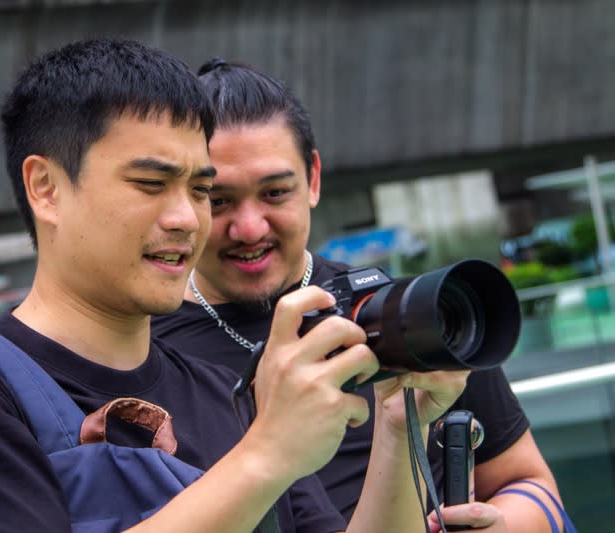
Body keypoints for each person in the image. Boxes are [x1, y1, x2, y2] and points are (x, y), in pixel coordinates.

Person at [0, 38, 468, 532]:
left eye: (199, 189)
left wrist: (398, 424)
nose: (187, 218)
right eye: (151, 184)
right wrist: (268, 454)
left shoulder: (224, 394)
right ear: (46, 187)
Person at [152, 58, 566, 532]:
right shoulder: (139, 349)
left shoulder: (415, 314)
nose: (249, 228)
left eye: (274, 193)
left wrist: (501, 526)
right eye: (220, 200)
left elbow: (530, 483)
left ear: (312, 179)